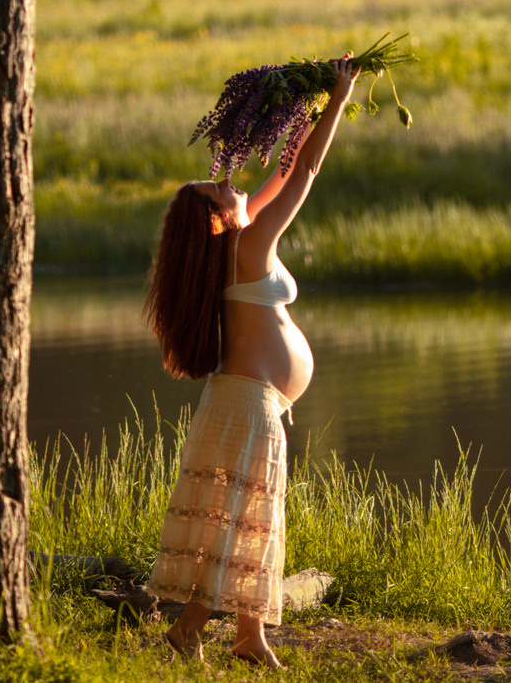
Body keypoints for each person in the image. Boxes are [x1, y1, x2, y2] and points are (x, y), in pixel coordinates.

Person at [144, 55, 360, 668]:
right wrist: (339, 102)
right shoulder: (245, 246)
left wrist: (309, 104)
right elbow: (306, 174)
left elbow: (290, 162)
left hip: (248, 402)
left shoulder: (241, 241)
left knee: (254, 516)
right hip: (248, 406)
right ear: (218, 219)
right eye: (221, 187)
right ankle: (189, 630)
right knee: (240, 517)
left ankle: (248, 636)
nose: (232, 181)